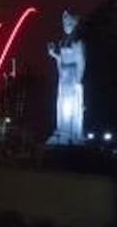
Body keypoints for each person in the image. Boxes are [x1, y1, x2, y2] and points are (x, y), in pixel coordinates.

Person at [47, 9, 85, 144]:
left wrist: (78, 80)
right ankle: (62, 129)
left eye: (69, 24)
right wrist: (54, 55)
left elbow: (81, 61)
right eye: (65, 24)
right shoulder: (62, 43)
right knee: (62, 103)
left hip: (72, 75)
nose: (66, 26)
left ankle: (71, 133)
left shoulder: (78, 43)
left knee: (71, 103)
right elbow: (61, 60)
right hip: (63, 76)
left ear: (74, 25)